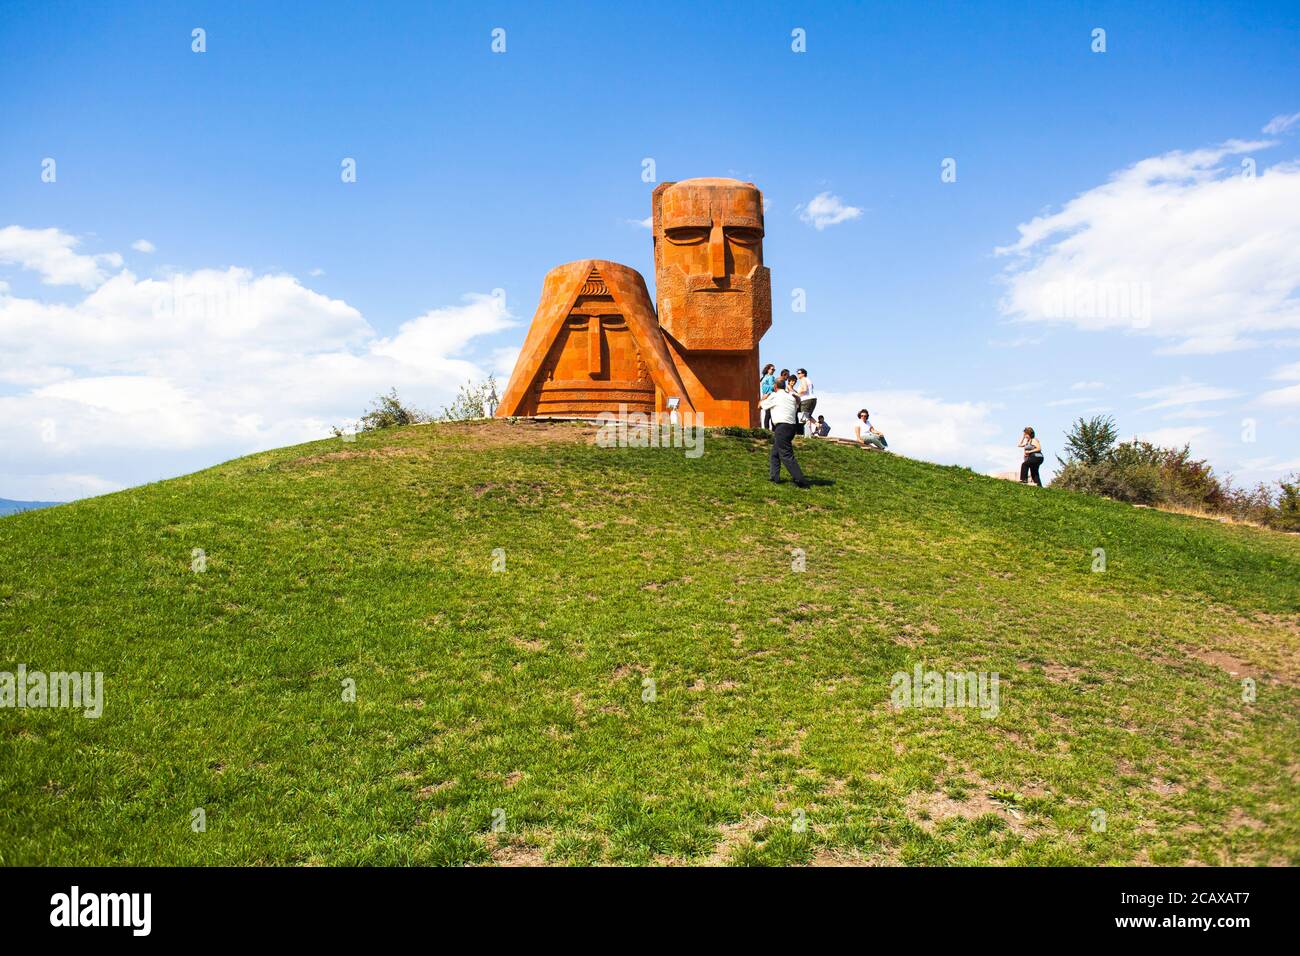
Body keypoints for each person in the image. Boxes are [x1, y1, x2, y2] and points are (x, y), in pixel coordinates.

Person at [759, 377, 810, 487]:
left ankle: (801, 481)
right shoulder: (790, 397)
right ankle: (774, 477)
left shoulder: (774, 396)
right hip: (792, 427)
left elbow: (760, 406)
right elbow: (797, 403)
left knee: (786, 455)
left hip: (781, 428)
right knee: (775, 454)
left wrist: (764, 398)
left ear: (775, 387)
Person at [759, 363, 777, 429]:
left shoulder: (763, 378)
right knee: (772, 414)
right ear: (768, 369)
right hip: (771, 396)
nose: (773, 371)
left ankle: (766, 429)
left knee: (767, 414)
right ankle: (773, 429)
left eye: (774, 369)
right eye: (772, 369)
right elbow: (773, 387)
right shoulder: (771, 377)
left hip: (765, 396)